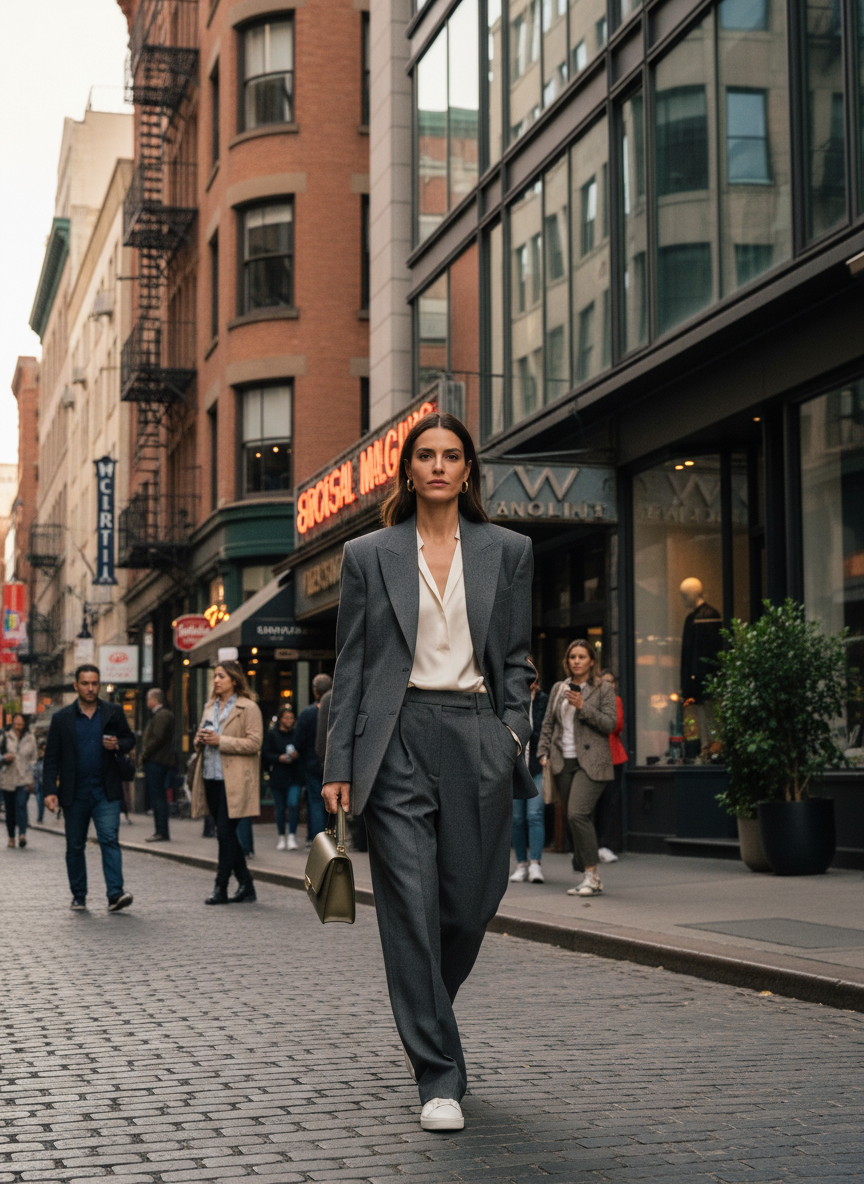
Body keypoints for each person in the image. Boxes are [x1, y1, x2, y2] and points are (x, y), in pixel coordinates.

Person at [322, 411, 534, 1133]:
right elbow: (349, 667)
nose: (439, 466)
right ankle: (438, 1076)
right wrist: (338, 763)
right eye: (425, 455)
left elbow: (518, 656)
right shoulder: (369, 554)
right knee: (409, 908)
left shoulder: (508, 550)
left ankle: (424, 1007)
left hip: (479, 735)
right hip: (398, 738)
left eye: (451, 455)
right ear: (407, 470)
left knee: (470, 905)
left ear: (467, 469)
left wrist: (513, 732)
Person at [43, 665, 136, 911]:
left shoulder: (113, 712)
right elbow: (51, 758)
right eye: (85, 683)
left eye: (94, 683)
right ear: (76, 686)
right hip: (75, 793)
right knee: (75, 845)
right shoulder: (61, 718)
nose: (91, 688)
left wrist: (118, 744)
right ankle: (79, 895)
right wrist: (50, 791)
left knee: (109, 840)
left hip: (106, 790)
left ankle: (115, 894)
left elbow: (130, 739)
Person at [536, 639, 617, 897]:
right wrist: (543, 752)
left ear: (592, 661)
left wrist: (584, 707)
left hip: (592, 763)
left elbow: (610, 724)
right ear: (567, 661)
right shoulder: (559, 688)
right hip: (563, 761)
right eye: (572, 657)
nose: (577, 661)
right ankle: (586, 872)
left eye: (582, 657)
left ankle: (592, 876)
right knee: (575, 818)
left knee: (577, 814)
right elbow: (548, 723)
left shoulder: (602, 688)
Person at [190, 660, 263, 905]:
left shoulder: (248, 707)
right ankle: (246, 884)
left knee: (223, 833)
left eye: (221, 676)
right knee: (227, 833)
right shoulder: (210, 706)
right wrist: (199, 739)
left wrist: (221, 741)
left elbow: (254, 743)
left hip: (234, 780)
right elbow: (201, 738)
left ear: (234, 679)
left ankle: (220, 888)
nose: (216, 680)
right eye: (215, 677)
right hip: (210, 776)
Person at [510, 662, 547, 883]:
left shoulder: (544, 700)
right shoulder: (511, 697)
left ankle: (535, 864)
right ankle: (521, 864)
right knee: (516, 819)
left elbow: (548, 728)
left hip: (538, 765)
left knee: (534, 815)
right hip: (515, 765)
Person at [294, 673, 331, 844]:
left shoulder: (308, 713)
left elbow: (298, 741)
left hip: (312, 762)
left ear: (315, 691)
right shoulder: (337, 709)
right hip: (333, 762)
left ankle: (318, 842)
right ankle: (333, 838)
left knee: (316, 801)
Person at [595, 669, 627, 863]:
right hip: (594, 757)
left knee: (610, 803)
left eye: (612, 682)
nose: (609, 685)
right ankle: (591, 845)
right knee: (592, 804)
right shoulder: (591, 700)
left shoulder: (616, 701)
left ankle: (604, 844)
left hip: (615, 757)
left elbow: (616, 725)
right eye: (604, 681)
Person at [263, 705, 303, 850]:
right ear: (280, 719)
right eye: (286, 718)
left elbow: (302, 750)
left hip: (294, 776)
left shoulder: (297, 734)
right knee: (280, 808)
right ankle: (281, 836)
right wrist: (278, 758)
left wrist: (296, 755)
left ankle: (292, 836)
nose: (289, 720)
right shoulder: (272, 735)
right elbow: (265, 755)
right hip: (278, 776)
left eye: (291, 718)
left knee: (293, 805)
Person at [140, 687, 176, 842]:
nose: (147, 702)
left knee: (158, 797)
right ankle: (160, 830)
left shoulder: (162, 715)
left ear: (154, 699)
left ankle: (161, 831)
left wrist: (145, 753)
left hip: (158, 761)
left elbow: (157, 738)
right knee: (157, 796)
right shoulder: (159, 715)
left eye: (149, 698)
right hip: (157, 760)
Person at [2, 713, 37, 848]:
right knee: (10, 810)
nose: (18, 726)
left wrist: (31, 771)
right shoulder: (5, 736)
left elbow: (34, 757)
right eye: (16, 724)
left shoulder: (30, 738)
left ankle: (22, 834)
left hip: (24, 779)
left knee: (21, 805)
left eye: (21, 724)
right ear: (12, 724)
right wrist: (5, 758)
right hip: (8, 778)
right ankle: (11, 837)